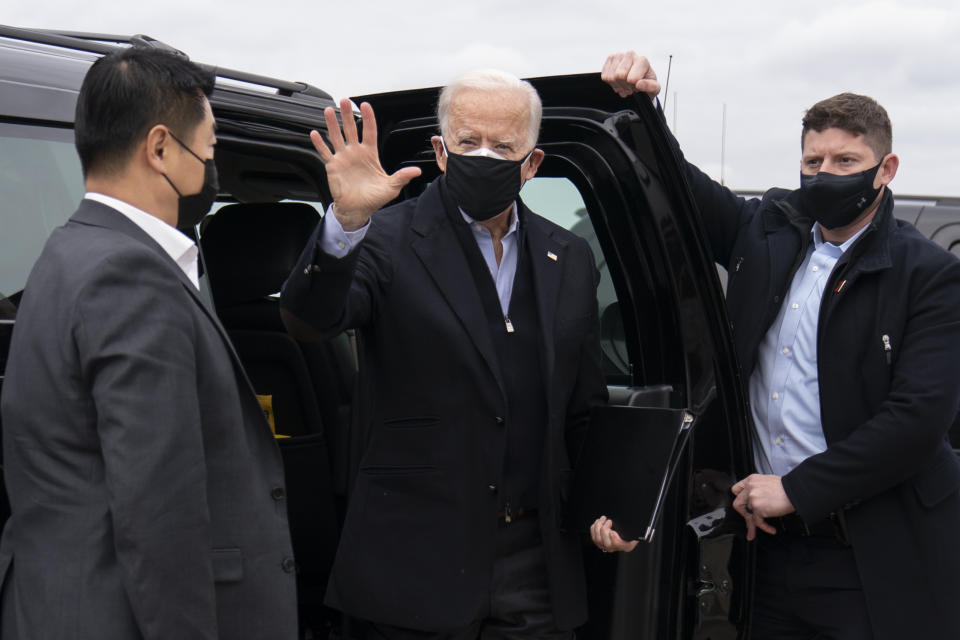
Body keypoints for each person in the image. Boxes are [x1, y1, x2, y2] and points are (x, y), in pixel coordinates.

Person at [595, 51, 960, 639]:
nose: (824, 174)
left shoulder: (929, 275)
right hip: (767, 554)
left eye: (846, 161)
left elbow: (918, 422)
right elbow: (675, 186)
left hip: (872, 555)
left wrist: (797, 489)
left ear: (885, 168)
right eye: (813, 160)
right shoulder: (765, 230)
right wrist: (639, 106)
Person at [280, 69, 609, 638]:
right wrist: (346, 223)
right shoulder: (385, 237)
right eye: (467, 142)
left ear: (531, 163)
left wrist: (609, 504)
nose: (483, 155)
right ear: (440, 151)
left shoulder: (570, 255)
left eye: (503, 146)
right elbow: (312, 320)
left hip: (533, 565)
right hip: (414, 561)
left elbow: (583, 406)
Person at [0, 47, 297, 639]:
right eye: (209, 151)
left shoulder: (63, 253)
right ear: (161, 148)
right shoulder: (132, 276)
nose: (211, 168)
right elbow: (159, 512)